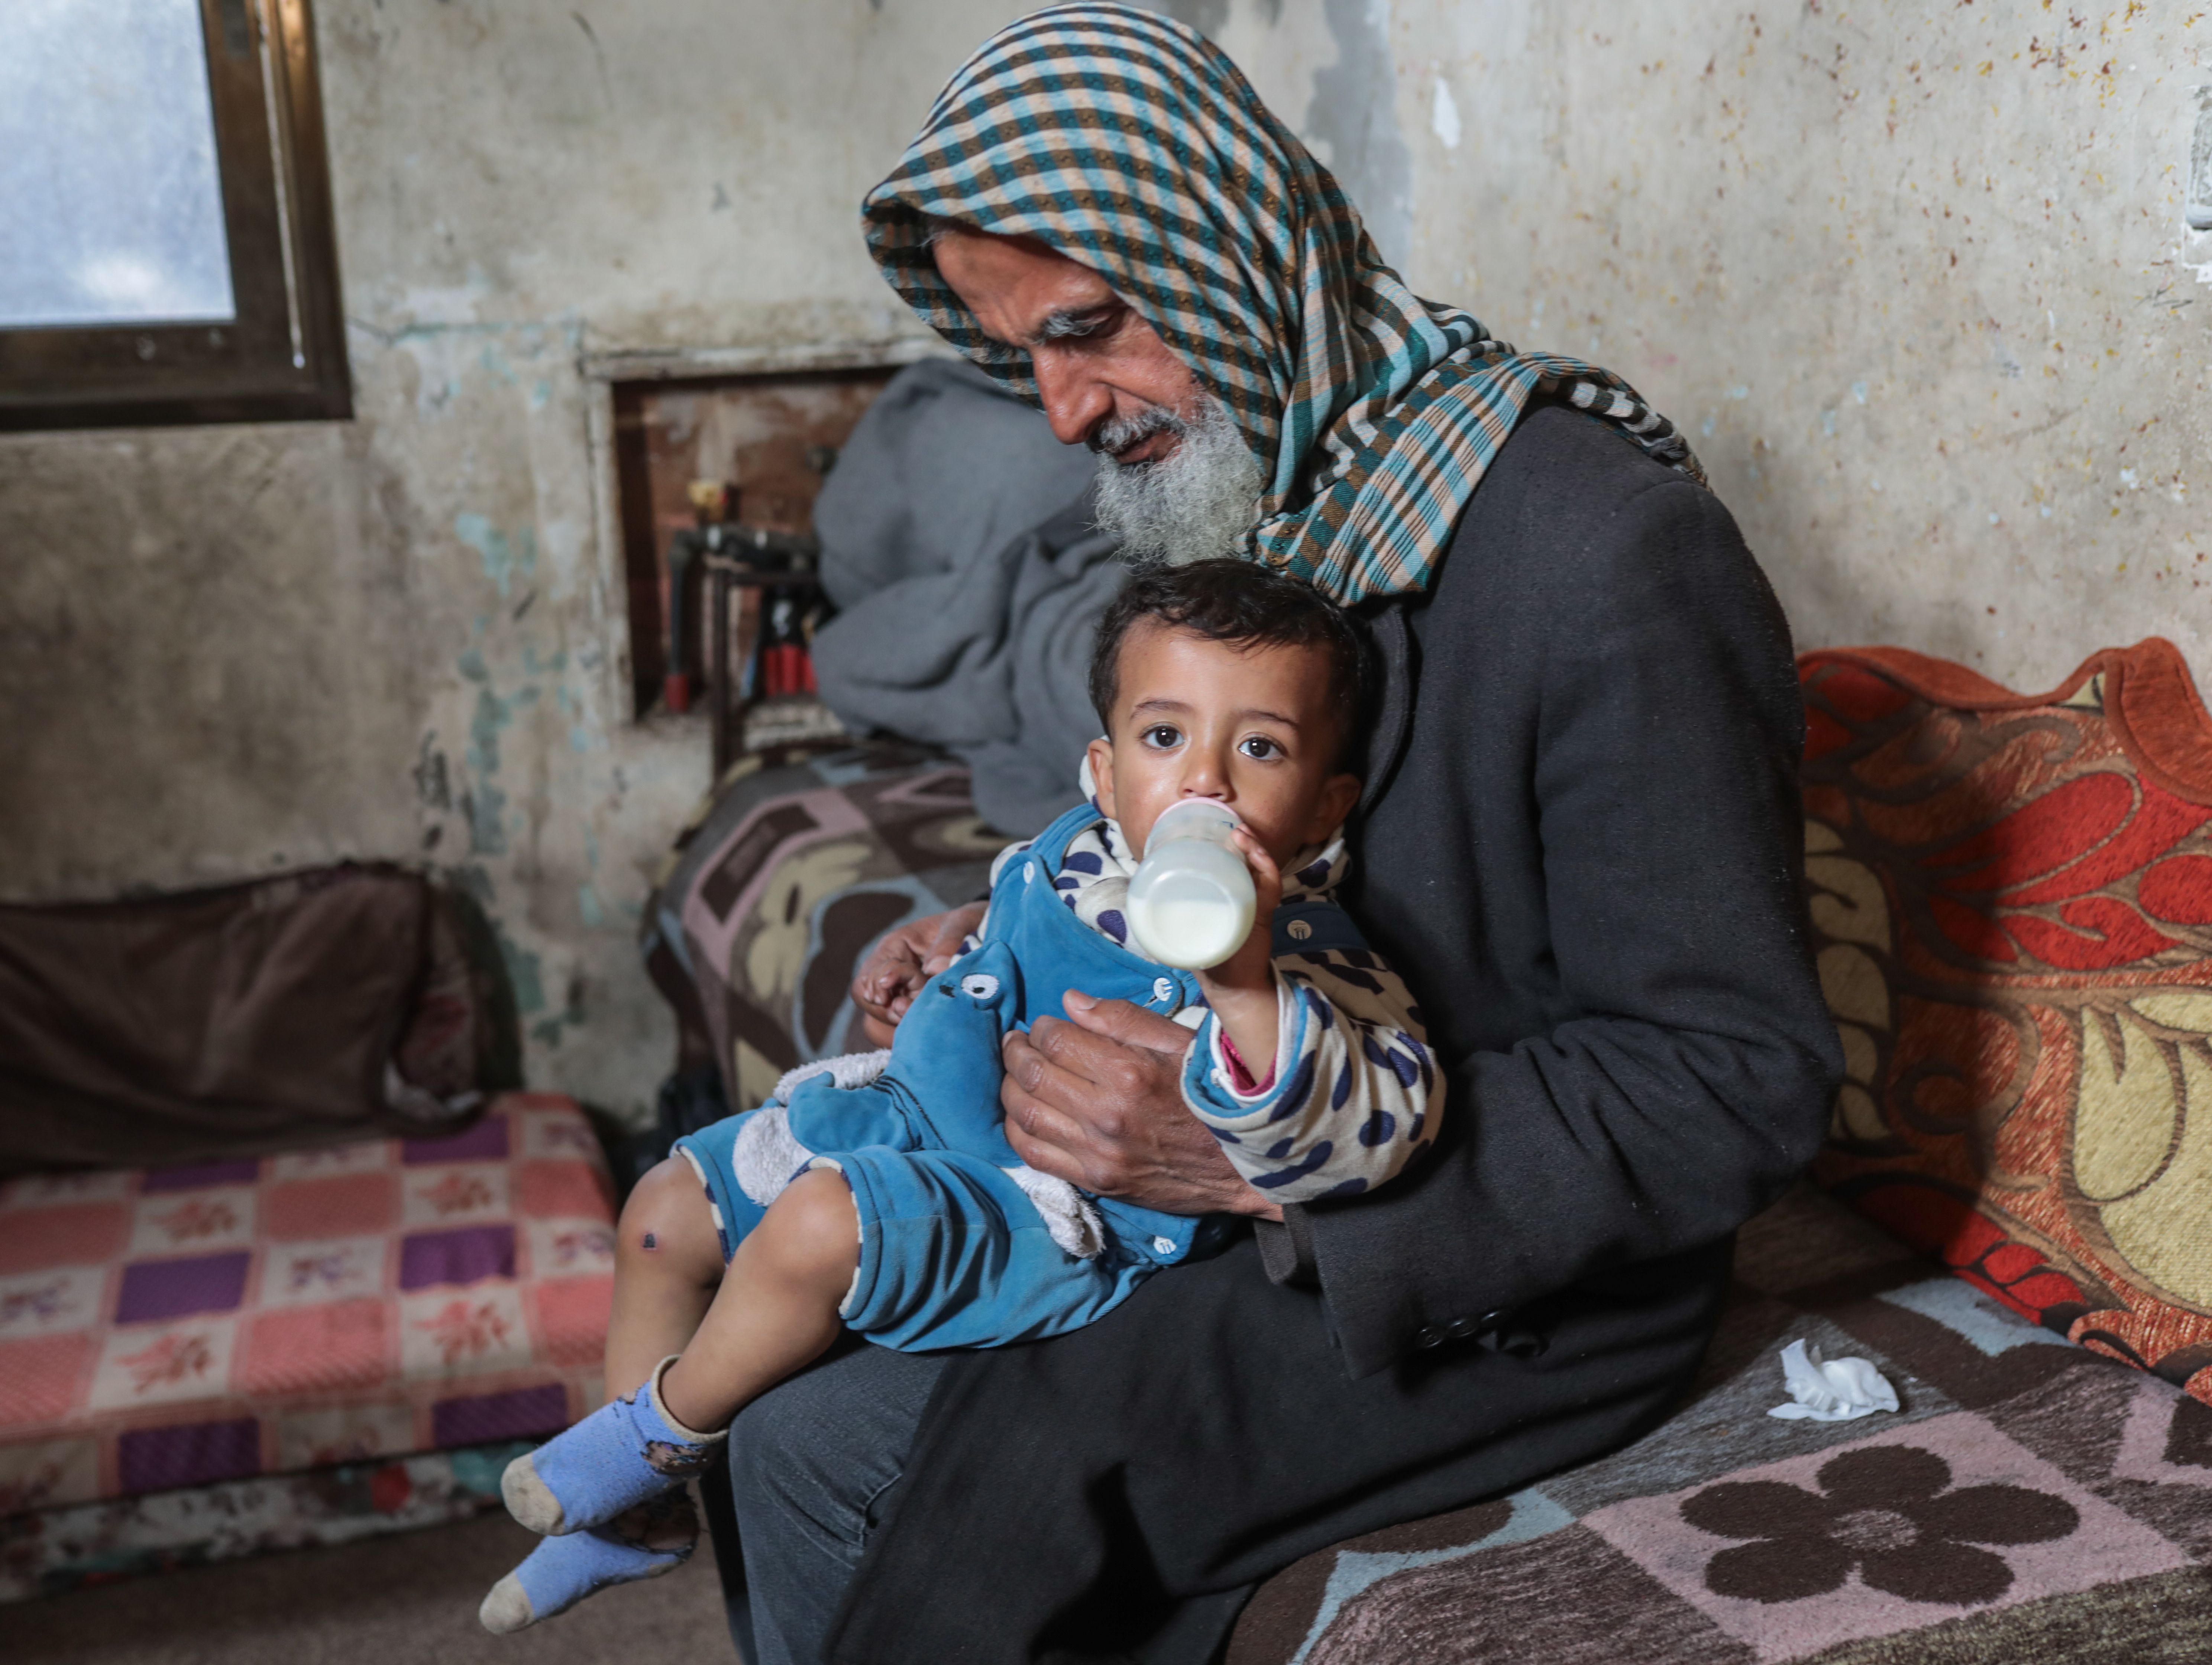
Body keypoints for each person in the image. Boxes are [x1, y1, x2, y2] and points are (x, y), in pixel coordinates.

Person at [704, 8, 1843, 1664]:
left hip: (1497, 1270)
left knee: (865, 1457)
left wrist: (1267, 1169)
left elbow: (1734, 1076)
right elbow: (1206, 857)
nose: (1063, 410)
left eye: (1090, 329)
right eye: (1020, 352)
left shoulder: (1608, 555)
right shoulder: (1267, 501)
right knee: (791, 1347)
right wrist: (1021, 930)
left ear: (1230, 245)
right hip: (1220, 1174)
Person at [479, 562, 1436, 1633]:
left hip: (1052, 1216)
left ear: (1325, 807)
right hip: (927, 1116)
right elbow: (1034, 923)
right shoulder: (1079, 856)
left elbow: (1373, 1128)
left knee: (811, 1232)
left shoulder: (1311, 957)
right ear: (1104, 770)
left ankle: (650, 1441)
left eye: (1260, 748)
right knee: (663, 1210)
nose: (1203, 782)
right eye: (1164, 738)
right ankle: (638, 1520)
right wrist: (959, 944)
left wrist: (1245, 983)